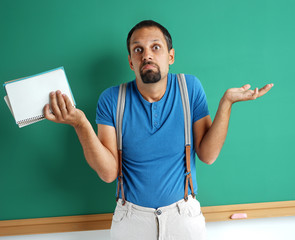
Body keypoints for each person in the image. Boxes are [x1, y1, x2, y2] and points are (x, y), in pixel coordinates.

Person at [43, 20, 273, 240]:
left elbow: (208, 155)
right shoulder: (111, 99)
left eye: (155, 47)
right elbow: (108, 173)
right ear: (131, 62)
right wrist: (80, 124)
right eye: (138, 49)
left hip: (183, 218)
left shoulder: (189, 88)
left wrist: (226, 104)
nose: (147, 55)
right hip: (131, 221)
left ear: (170, 56)